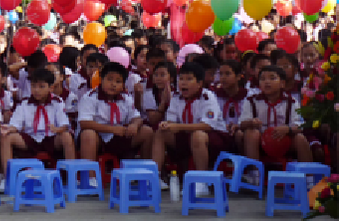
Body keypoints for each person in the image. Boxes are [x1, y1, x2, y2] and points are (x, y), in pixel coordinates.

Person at [151, 62, 228, 194]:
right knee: (160, 133)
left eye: (189, 79)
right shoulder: (176, 97)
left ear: (199, 83)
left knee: (198, 135)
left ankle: (201, 182)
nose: (183, 83)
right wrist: (166, 124)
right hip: (185, 137)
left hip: (212, 139)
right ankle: (154, 177)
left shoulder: (207, 97)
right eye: (181, 79)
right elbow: (171, 119)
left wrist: (178, 126)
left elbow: (207, 126)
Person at [0, 68, 74, 192]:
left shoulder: (57, 102)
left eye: (41, 86)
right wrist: (8, 129)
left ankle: (70, 178)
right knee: (7, 137)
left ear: (51, 88)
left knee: (67, 136)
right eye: (34, 86)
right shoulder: (24, 103)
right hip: (30, 138)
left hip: (50, 137)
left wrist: (57, 129)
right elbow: (16, 124)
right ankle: (8, 178)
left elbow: (64, 125)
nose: (36, 90)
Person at [78, 62, 154, 183]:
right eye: (110, 80)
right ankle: (90, 178)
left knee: (147, 131)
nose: (113, 84)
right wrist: (112, 129)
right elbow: (84, 123)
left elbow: (136, 117)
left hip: (120, 135)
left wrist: (134, 125)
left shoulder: (126, 98)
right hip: (99, 138)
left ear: (123, 85)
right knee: (88, 134)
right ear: (101, 80)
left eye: (118, 82)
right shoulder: (90, 97)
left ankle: (144, 174)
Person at [238, 65, 311, 180]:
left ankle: (308, 177)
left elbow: (300, 125)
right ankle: (254, 174)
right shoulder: (251, 100)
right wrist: (251, 122)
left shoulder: (291, 102)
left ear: (282, 83)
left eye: (272, 78)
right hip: (260, 142)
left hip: (283, 141)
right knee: (251, 133)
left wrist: (288, 129)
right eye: (263, 79)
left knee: (300, 138)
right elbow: (241, 124)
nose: (267, 82)